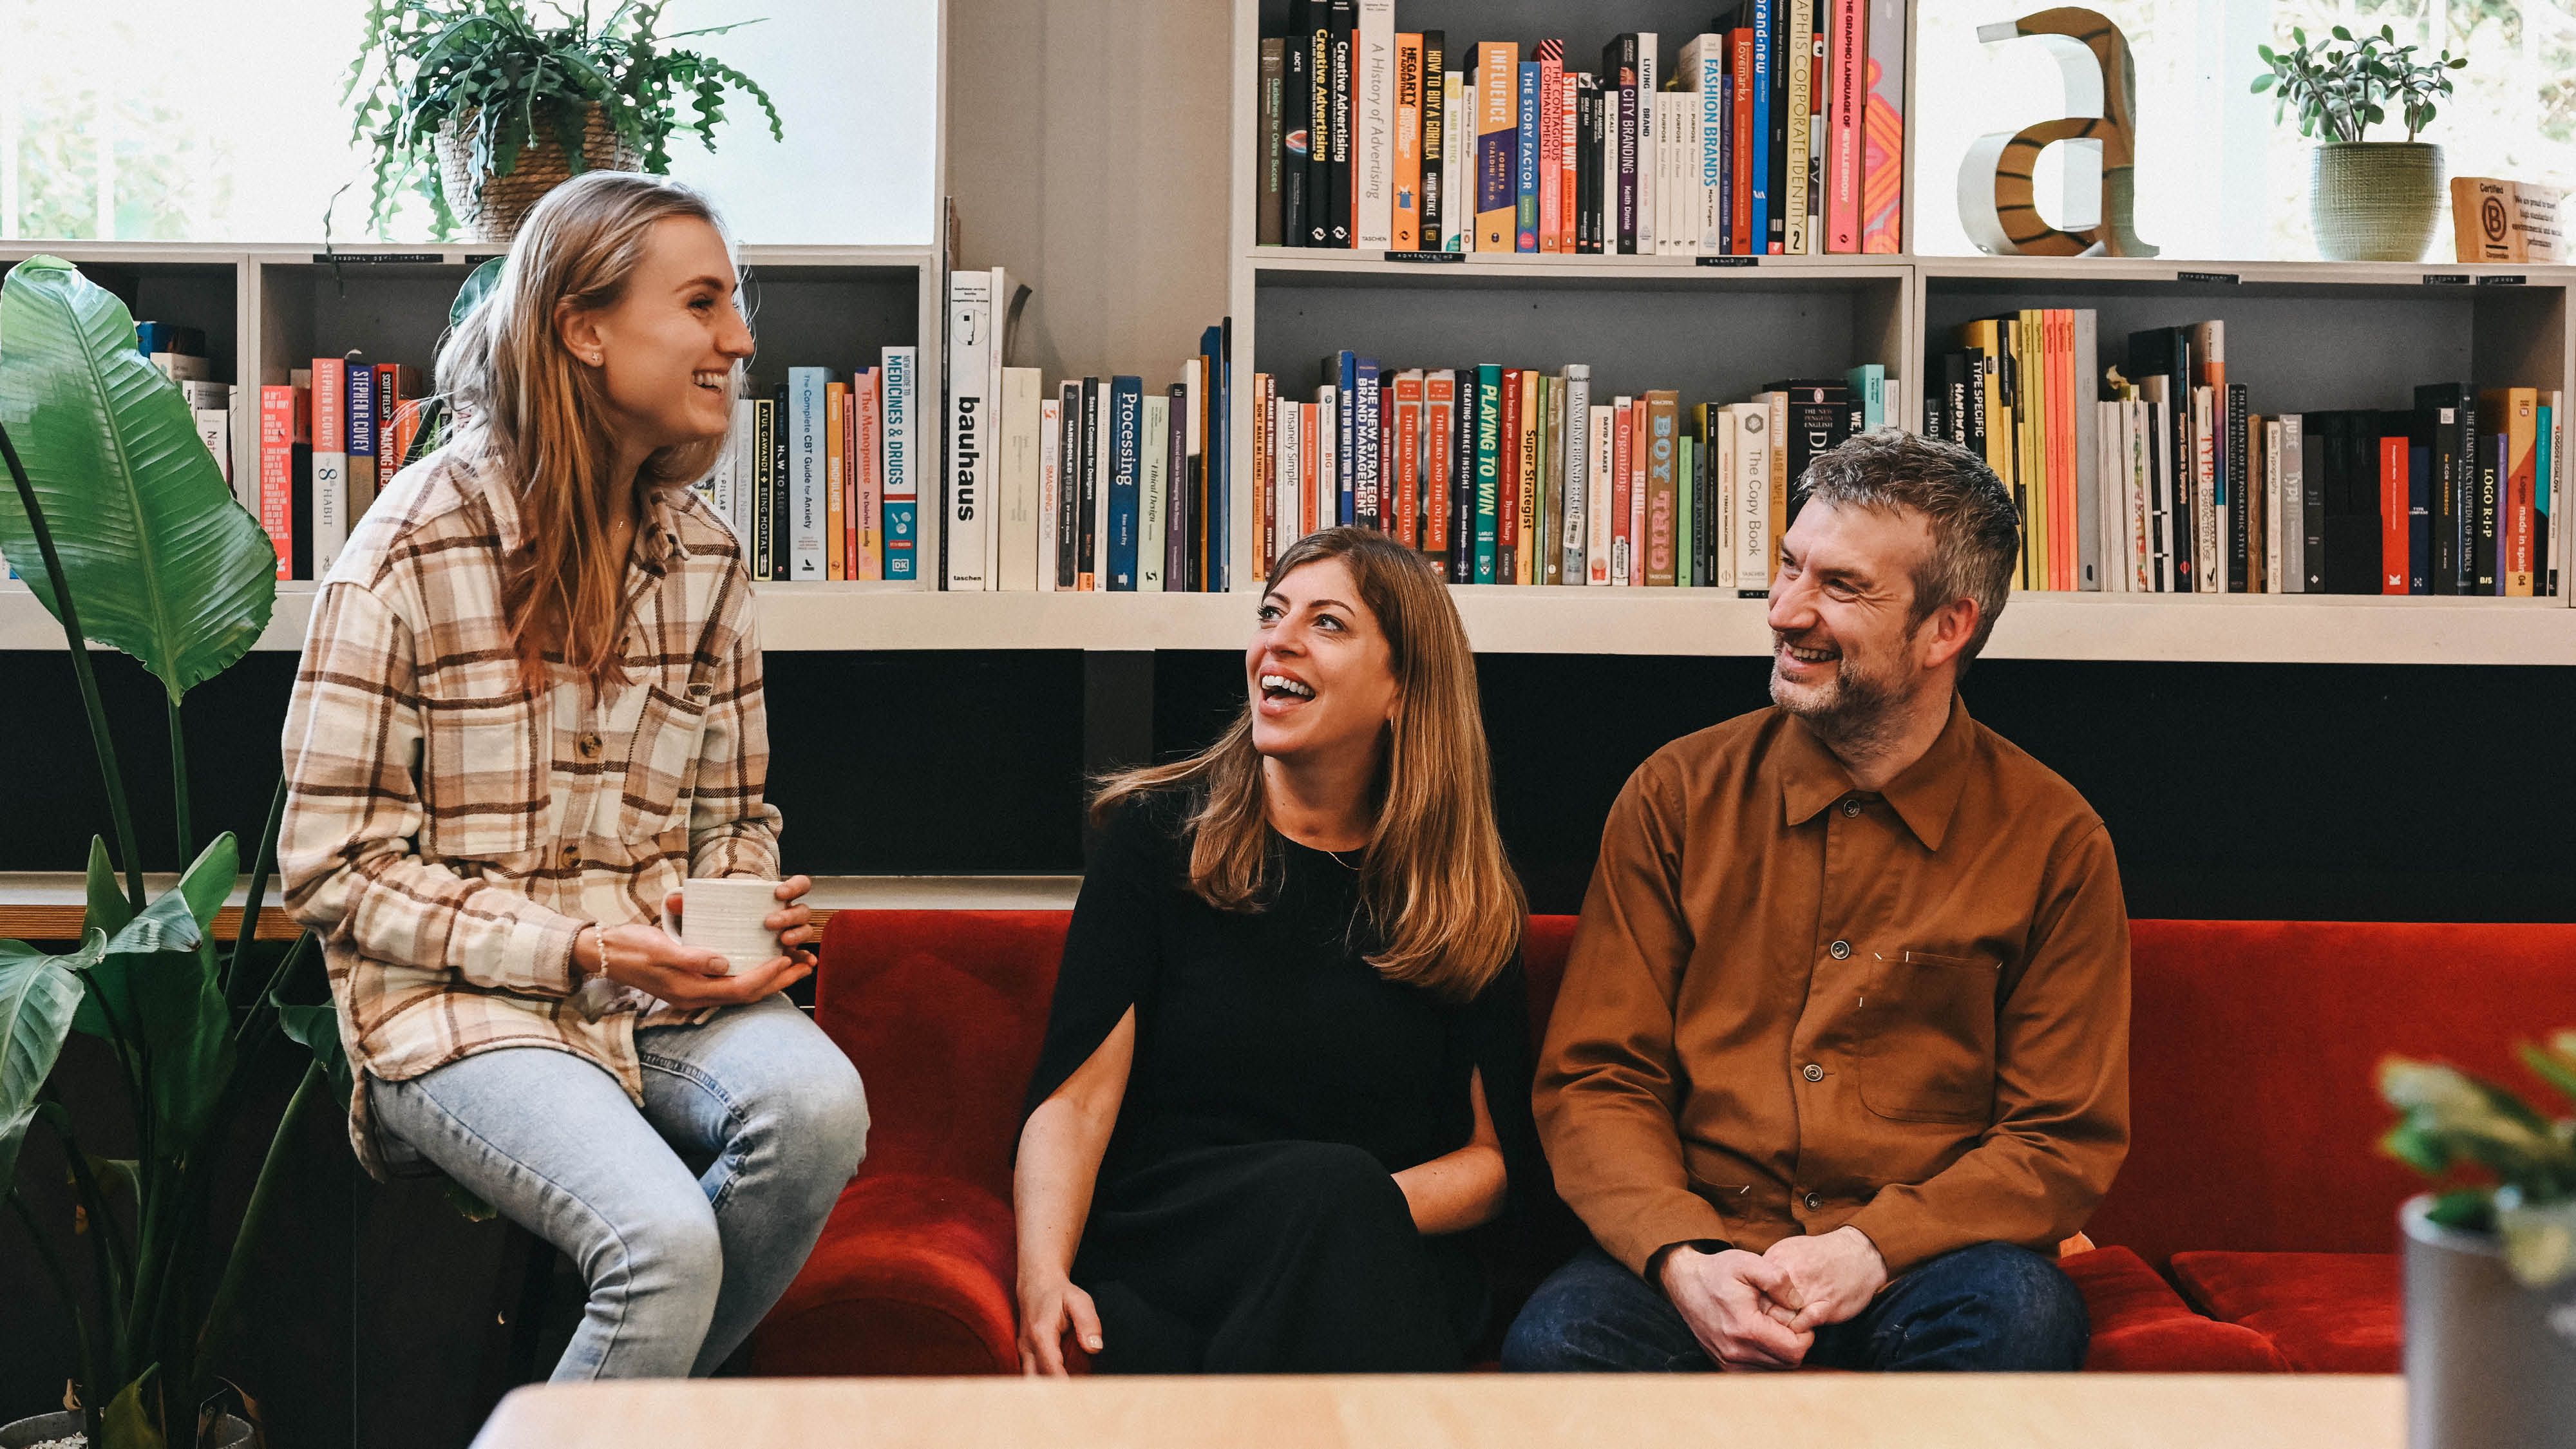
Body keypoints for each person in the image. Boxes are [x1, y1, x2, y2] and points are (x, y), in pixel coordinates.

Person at [278, 171, 868, 1381]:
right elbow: (334, 869)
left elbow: (734, 816)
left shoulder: (708, 562)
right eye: (702, 303)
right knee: (663, 1246)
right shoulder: (406, 552)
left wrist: (737, 921)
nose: (740, 339)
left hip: (653, 998)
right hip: (456, 1010)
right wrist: (583, 949)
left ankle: (593, 1393)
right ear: (582, 329)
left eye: (735, 304)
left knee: (819, 1113)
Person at [1503, 431, 2127, 1374]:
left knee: (2023, 1318)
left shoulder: (2056, 840)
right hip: (1707, 1238)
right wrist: (1684, 1256)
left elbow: (2058, 1139)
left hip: (1930, 1262)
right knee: (1560, 1343)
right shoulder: (1676, 795)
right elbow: (1599, 1077)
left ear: (1946, 629)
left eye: (1841, 586)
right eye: (1790, 566)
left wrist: (1870, 1248)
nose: (1786, 610)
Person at [1013, 526, 1542, 1375]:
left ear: (1403, 686)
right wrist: (1042, 1277)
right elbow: (1075, 1103)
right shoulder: (1159, 840)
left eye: (1327, 622)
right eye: (1271, 612)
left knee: (1342, 1211)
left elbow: (1493, 1164)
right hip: (1184, 1242)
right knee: (1334, 1210)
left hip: (1376, 1253)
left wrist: (1348, 1214)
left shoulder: (1462, 895)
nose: (1279, 641)